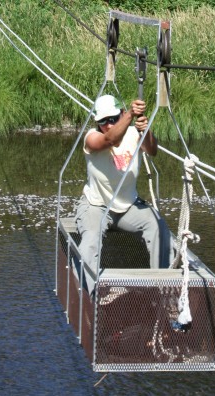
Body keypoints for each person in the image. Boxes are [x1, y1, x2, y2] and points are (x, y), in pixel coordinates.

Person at [75, 94, 173, 294]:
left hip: (128, 207)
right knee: (90, 242)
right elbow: (110, 139)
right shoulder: (91, 138)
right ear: (97, 123)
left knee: (158, 228)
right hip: (96, 205)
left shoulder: (133, 133)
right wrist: (130, 114)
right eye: (103, 121)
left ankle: (162, 290)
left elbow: (152, 150)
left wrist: (145, 131)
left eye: (113, 119)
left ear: (120, 115)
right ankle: (90, 296)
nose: (109, 125)